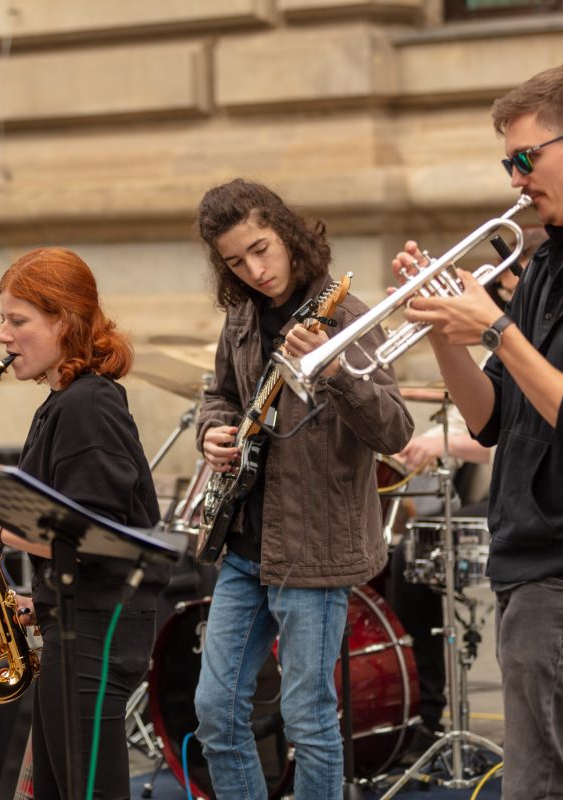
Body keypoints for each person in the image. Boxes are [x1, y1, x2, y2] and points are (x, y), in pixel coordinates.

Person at [395, 65, 563, 799]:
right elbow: (496, 420)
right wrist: (445, 333)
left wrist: (493, 325)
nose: (515, 180)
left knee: (539, 786)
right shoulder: (550, 258)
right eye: (507, 163)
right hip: (529, 557)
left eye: (526, 159)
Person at [190, 178, 413, 798]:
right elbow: (220, 397)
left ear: (287, 234)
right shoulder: (240, 318)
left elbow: (394, 427)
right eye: (235, 261)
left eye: (261, 249)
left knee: (308, 721)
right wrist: (212, 433)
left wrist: (337, 371)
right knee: (215, 711)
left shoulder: (344, 315)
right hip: (244, 545)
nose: (255, 270)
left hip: (314, 554)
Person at [0, 246, 171, 800]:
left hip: (99, 625)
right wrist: (33, 599)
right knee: (57, 787)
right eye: (3, 319)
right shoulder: (63, 401)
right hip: (77, 616)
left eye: (17, 320)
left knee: (87, 789)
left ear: (64, 321)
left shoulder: (88, 405)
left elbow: (96, 533)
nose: (2, 335)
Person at [388, 225, 549, 764]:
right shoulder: (503, 332)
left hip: (541, 504)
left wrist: (443, 441)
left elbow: (518, 431)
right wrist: (439, 328)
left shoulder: (535, 328)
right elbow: (489, 415)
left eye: (507, 284)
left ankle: (429, 707)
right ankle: (423, 712)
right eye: (500, 287)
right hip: (506, 496)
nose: (503, 293)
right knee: (406, 559)